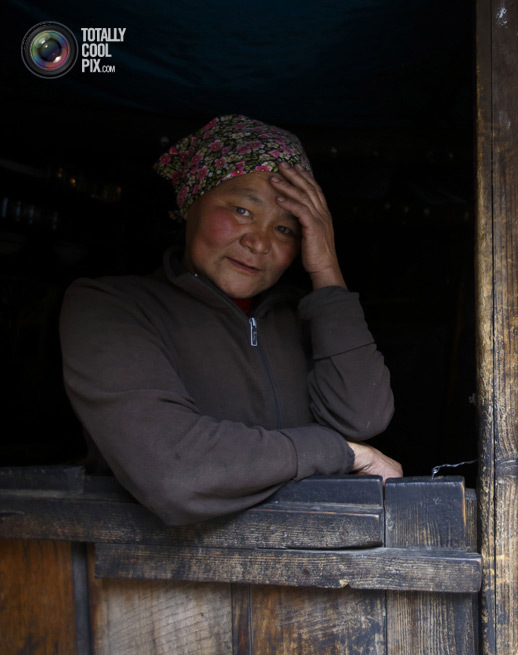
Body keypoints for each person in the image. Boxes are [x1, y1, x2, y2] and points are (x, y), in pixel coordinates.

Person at [60, 114, 401, 526]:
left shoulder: (302, 316)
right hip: (155, 582)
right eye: (241, 210)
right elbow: (177, 472)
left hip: (310, 572)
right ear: (191, 203)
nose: (259, 242)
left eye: (287, 229)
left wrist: (327, 271)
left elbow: (362, 417)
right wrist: (343, 453)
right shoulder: (109, 307)